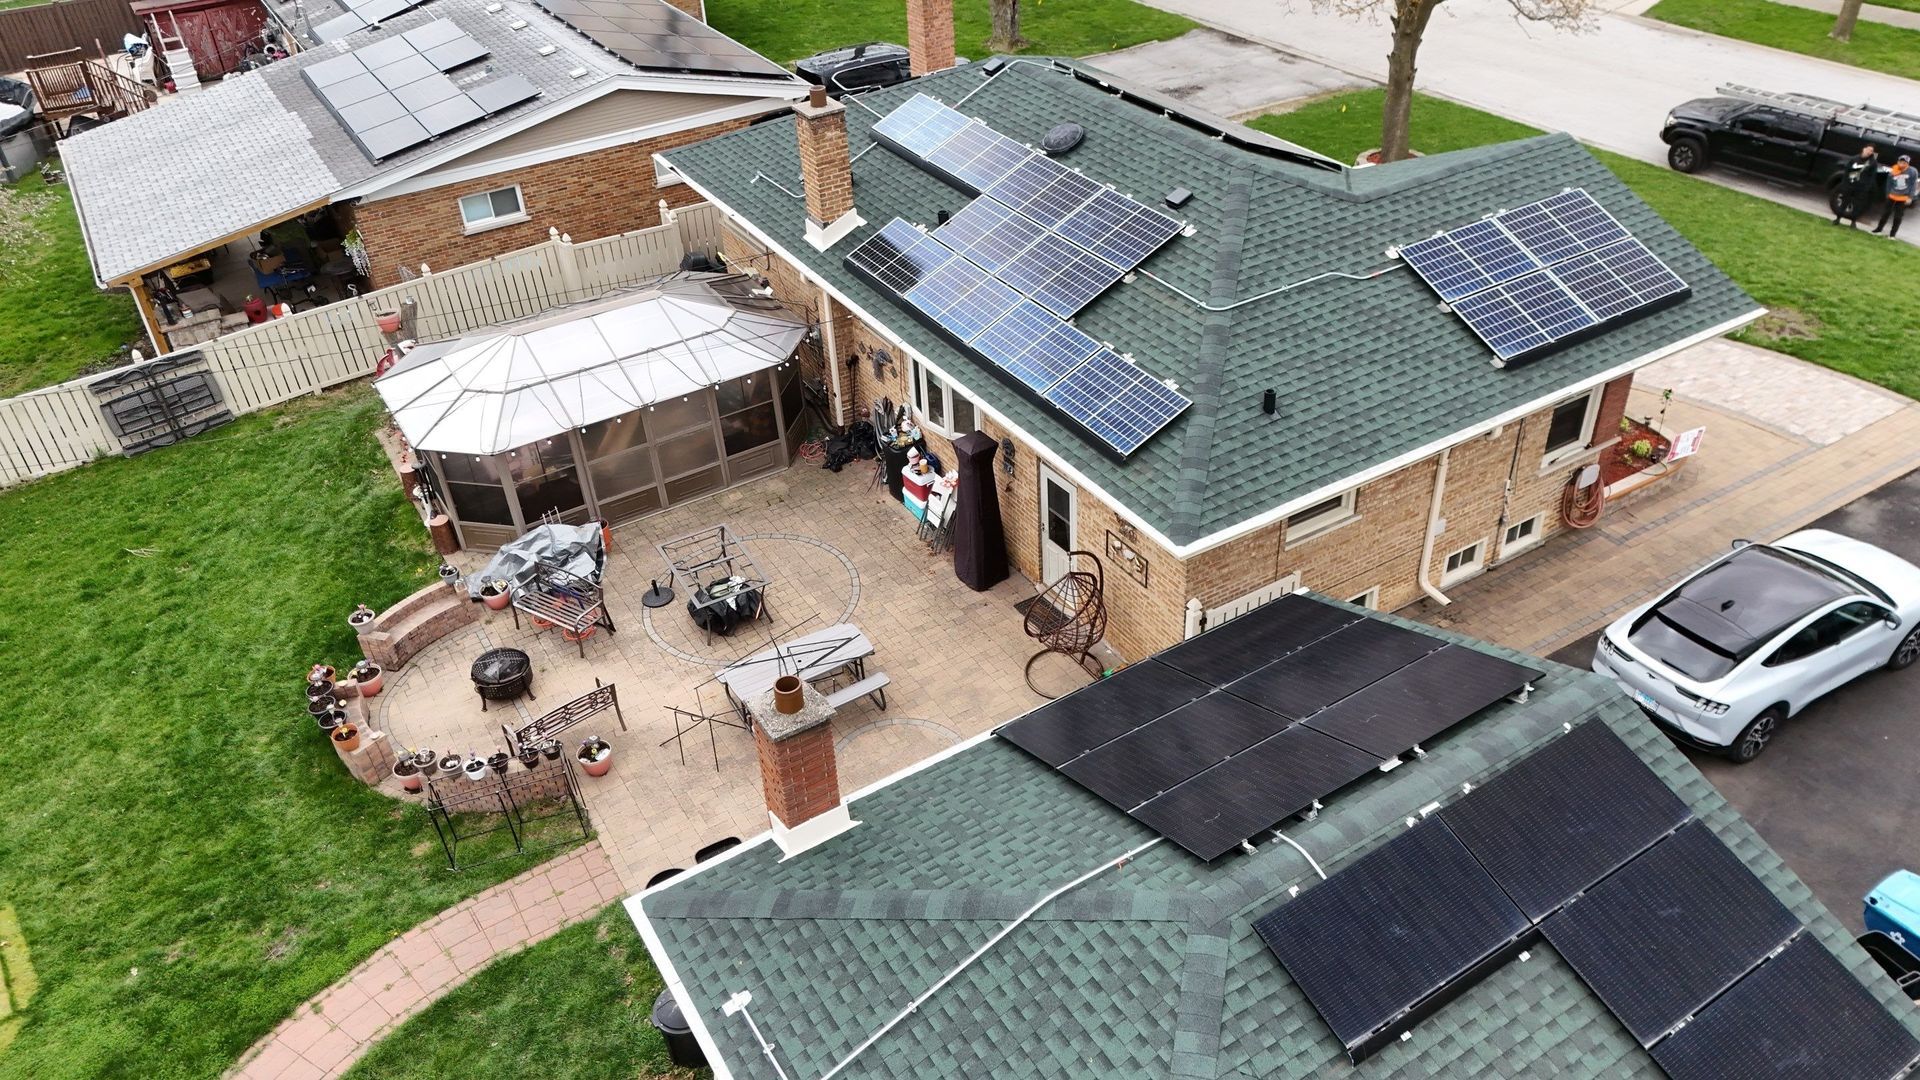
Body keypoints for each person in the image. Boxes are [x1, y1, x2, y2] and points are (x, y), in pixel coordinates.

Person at [1834, 144, 1882, 227]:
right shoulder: (1854, 159)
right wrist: (1845, 184)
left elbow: (1872, 177)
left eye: (1871, 151)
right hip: (1850, 185)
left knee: (1857, 205)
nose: (1869, 152)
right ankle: (1838, 218)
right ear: (1864, 149)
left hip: (1861, 188)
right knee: (1844, 202)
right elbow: (1847, 171)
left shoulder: (1872, 163)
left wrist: (1866, 187)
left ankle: (1853, 222)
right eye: (1868, 149)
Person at [1874, 154, 1916, 239]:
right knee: (1885, 213)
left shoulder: (1912, 171)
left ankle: (1892, 235)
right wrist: (1887, 194)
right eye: (1901, 161)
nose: (1902, 164)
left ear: (1907, 163)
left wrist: (1910, 197)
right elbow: (1889, 183)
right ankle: (1878, 230)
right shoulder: (1894, 169)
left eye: (1904, 162)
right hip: (1892, 195)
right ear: (1898, 161)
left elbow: (1913, 185)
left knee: (1898, 217)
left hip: (1903, 197)